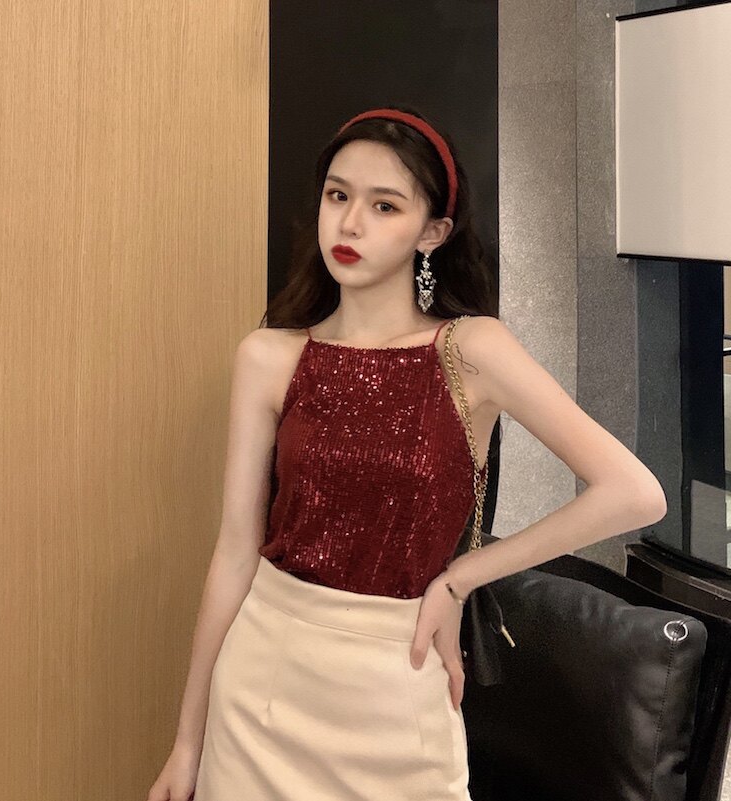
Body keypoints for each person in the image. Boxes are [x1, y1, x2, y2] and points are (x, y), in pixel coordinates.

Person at [146, 106, 667, 800]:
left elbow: (633, 492)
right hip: (261, 685)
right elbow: (235, 553)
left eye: (384, 205)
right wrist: (188, 741)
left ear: (432, 232)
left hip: (401, 684)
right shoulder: (269, 357)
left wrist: (461, 578)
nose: (350, 223)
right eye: (338, 195)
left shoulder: (471, 350)